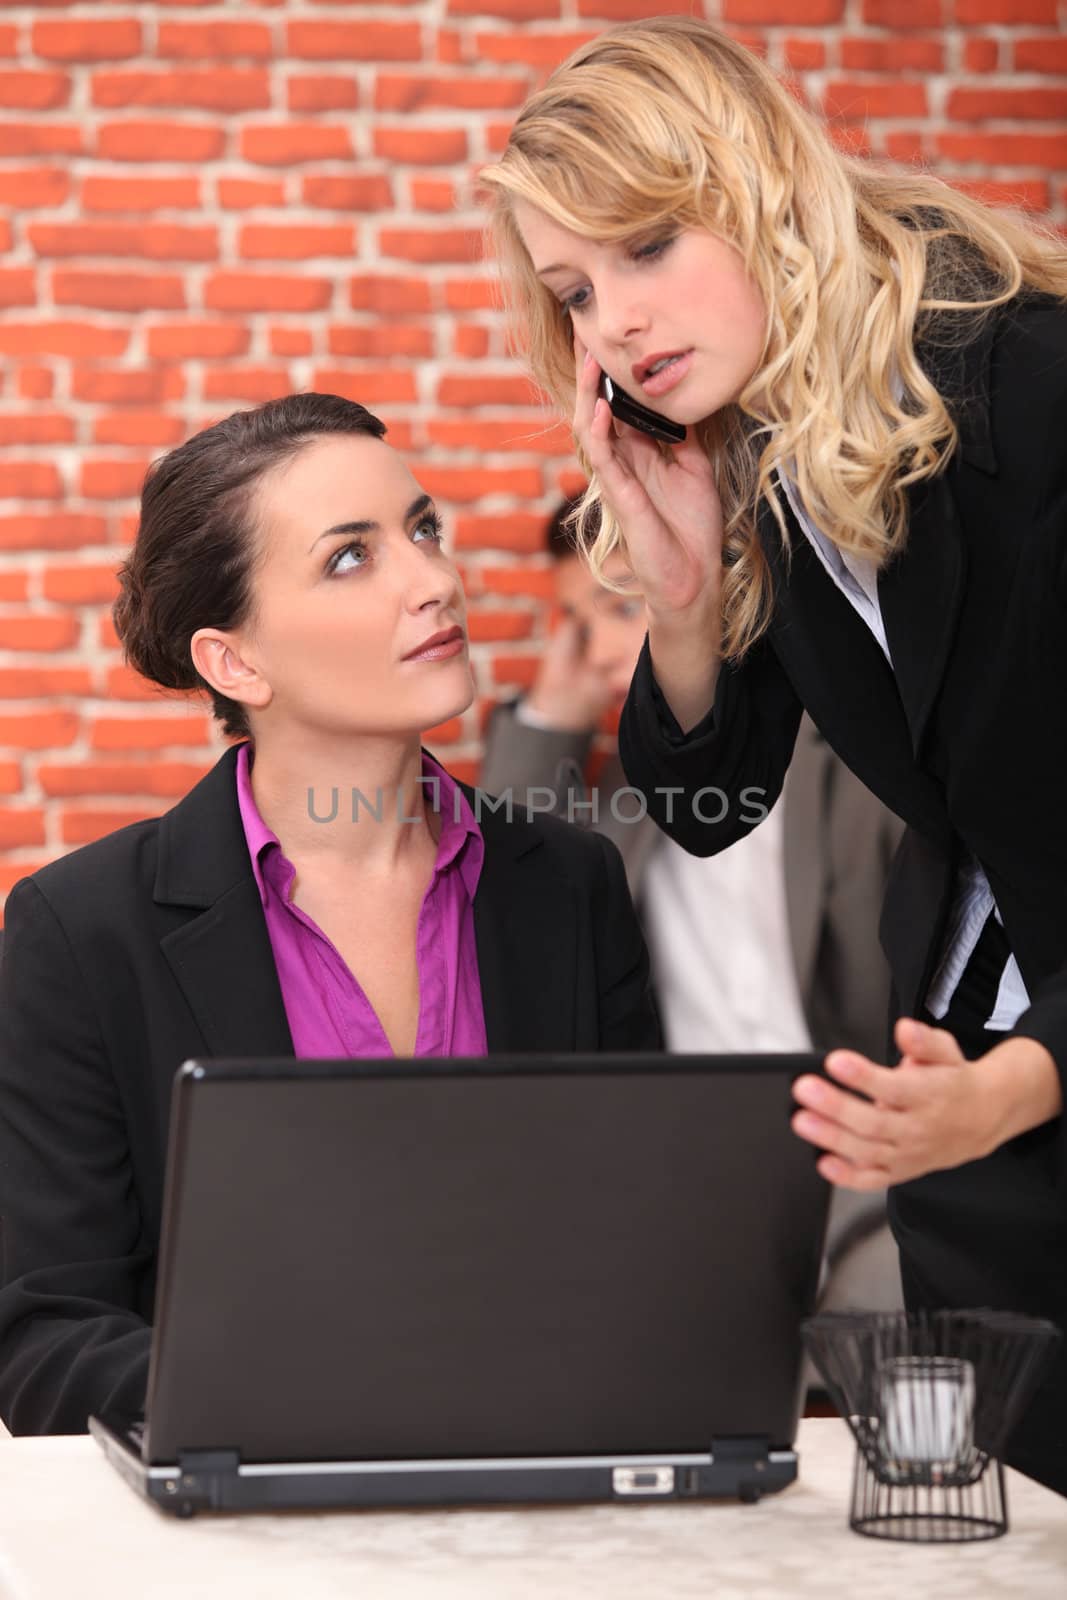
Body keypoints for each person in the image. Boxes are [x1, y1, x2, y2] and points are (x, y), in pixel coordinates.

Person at [481, 17, 1067, 1493]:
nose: (611, 321)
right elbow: (704, 799)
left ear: (756, 189)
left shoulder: (1029, 392)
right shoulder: (772, 445)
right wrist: (682, 597)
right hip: (973, 1115)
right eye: (573, 290)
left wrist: (1023, 1079)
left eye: (647, 245)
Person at [0, 393, 659, 1436]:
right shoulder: (81, 932)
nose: (433, 580)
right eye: (350, 558)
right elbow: (51, 1343)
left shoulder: (570, 885)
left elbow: (641, 1250)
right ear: (235, 661)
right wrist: (335, 1397)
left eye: (422, 529)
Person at [482, 494, 905, 1320]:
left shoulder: (864, 766)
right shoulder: (624, 805)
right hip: (681, 1175)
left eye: (612, 609)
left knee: (882, 1303)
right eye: (577, 620)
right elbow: (506, 908)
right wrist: (550, 719)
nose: (598, 649)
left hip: (865, 1173)